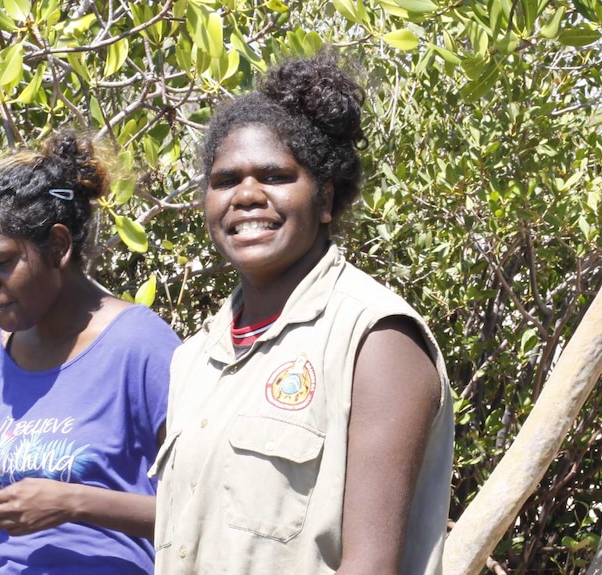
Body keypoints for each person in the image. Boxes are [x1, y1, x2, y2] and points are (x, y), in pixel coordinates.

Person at [150, 49, 453, 575]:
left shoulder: (375, 339)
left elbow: (371, 565)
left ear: (326, 198)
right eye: (225, 181)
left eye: (275, 175)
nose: (246, 195)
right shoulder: (196, 357)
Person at [0, 130, 181, 574]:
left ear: (59, 247)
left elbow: (204, 514)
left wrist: (74, 503)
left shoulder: (140, 347)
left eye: (2, 261)